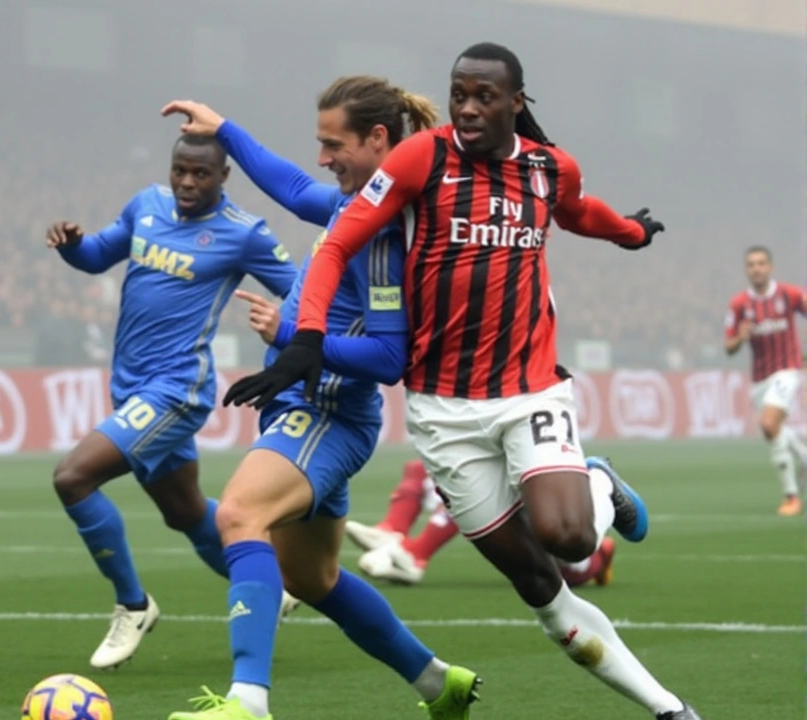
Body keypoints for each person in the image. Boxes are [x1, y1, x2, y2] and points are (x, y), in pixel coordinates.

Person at [223, 43, 699, 720]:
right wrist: (306, 340)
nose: (469, 108)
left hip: (529, 388)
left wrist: (630, 234)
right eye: (459, 95)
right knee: (538, 584)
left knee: (570, 539)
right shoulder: (422, 161)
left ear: (516, 103)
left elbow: (579, 209)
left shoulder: (546, 168)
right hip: (445, 412)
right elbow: (336, 236)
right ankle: (669, 709)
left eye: (484, 96)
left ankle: (599, 483)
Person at [160, 78, 478, 720]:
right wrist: (224, 129)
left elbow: (389, 358)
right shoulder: (355, 200)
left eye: (333, 144)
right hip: (307, 409)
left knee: (238, 517)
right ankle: (438, 684)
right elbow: (292, 187)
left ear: (378, 140)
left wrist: (289, 333)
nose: (322, 158)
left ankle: (247, 701)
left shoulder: (383, 237)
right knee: (313, 579)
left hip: (326, 412)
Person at [45, 133, 299, 670]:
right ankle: (266, 584)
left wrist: (288, 333)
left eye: (200, 174)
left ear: (223, 176)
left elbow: (301, 289)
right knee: (184, 512)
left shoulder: (243, 233)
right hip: (131, 385)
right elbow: (97, 257)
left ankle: (132, 604)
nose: (186, 183)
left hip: (176, 390)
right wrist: (73, 245)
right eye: (180, 170)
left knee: (73, 478)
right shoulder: (147, 205)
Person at [346, 459, 615, 588]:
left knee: (473, 490)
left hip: (556, 557)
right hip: (511, 512)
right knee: (420, 469)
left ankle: (603, 554)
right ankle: (391, 531)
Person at [723, 246, 807, 515]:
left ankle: (791, 497)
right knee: (772, 430)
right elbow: (729, 347)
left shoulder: (789, 295)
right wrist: (741, 336)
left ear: (770, 267)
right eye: (751, 264)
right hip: (759, 379)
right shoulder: (738, 305)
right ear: (746, 270)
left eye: (761, 263)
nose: (756, 268)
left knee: (769, 423)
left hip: (788, 369)